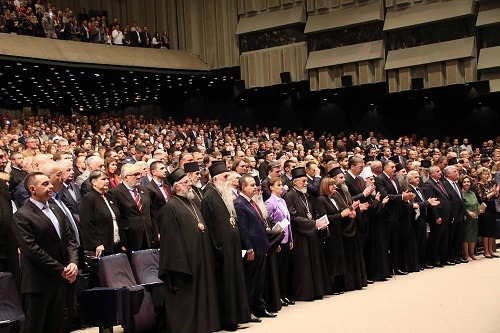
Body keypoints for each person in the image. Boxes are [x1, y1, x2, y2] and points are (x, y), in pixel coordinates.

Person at [13, 172, 78, 333]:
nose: (50, 187)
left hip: (61, 280)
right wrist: (61, 269)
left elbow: (70, 239)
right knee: (35, 327)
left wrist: (72, 263)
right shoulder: (22, 215)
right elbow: (32, 250)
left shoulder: (56, 208)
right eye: (45, 184)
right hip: (38, 282)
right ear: (32, 189)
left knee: (57, 326)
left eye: (50, 183)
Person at [158, 168, 220, 333]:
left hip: (200, 259)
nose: (190, 185)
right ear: (177, 187)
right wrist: (181, 265)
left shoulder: (191, 202)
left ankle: (203, 325)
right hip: (184, 264)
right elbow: (171, 241)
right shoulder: (171, 207)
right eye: (186, 182)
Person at [200, 161, 251, 331]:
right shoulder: (209, 196)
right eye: (225, 176)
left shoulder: (223, 193)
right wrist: (218, 249)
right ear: (215, 179)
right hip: (222, 250)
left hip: (232, 248)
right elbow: (210, 227)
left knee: (235, 281)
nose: (228, 179)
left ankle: (237, 317)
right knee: (225, 285)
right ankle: (228, 320)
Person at [284, 166, 331, 301]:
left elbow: (311, 212)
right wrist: (313, 224)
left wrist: (318, 222)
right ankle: (305, 293)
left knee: (315, 261)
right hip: (300, 235)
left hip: (311, 233)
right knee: (303, 264)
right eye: (303, 181)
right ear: (295, 182)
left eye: (306, 181)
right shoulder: (289, 196)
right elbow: (293, 217)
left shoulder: (306, 195)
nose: (306, 183)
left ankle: (317, 291)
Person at [235, 174, 273, 320]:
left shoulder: (252, 202)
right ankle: (249, 309)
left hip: (261, 246)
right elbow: (243, 229)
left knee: (259, 280)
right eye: (251, 185)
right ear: (243, 188)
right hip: (252, 248)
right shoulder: (239, 204)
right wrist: (249, 248)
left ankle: (259, 307)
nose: (255, 187)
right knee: (250, 281)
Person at [79, 170, 125, 257]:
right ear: (94, 182)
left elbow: (117, 219)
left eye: (107, 179)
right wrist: (97, 244)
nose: (107, 181)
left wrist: (122, 242)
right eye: (103, 179)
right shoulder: (88, 198)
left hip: (115, 243)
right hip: (101, 246)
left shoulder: (110, 196)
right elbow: (87, 224)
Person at [111, 164, 156, 251]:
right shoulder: (115, 193)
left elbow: (151, 214)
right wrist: (122, 242)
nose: (139, 177)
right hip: (130, 239)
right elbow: (117, 219)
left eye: (139, 174)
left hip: (147, 236)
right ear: (126, 177)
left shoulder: (145, 190)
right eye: (135, 174)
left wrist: (155, 234)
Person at [265, 176, 294, 305]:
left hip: (286, 238)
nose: (281, 187)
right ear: (271, 188)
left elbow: (288, 220)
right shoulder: (269, 203)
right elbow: (269, 224)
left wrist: (291, 238)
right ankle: (279, 296)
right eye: (278, 185)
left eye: (282, 185)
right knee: (279, 269)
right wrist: (275, 241)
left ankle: (284, 294)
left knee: (285, 269)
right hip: (278, 240)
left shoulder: (282, 201)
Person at [315, 177, 348, 293]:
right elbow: (325, 218)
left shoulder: (334, 198)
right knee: (332, 260)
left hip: (338, 232)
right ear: (325, 187)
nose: (334, 187)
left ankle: (340, 285)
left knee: (339, 258)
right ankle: (333, 287)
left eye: (334, 185)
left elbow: (342, 211)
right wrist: (341, 215)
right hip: (329, 233)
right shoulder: (321, 199)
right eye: (331, 185)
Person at [475, 167, 500, 258]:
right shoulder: (478, 185)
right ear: (480, 175)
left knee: (492, 230)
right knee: (486, 230)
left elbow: (495, 196)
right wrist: (493, 193)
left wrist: (496, 192)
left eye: (487, 174)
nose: (486, 176)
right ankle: (486, 251)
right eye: (484, 174)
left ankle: (491, 250)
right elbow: (483, 198)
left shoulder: (490, 183)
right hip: (485, 208)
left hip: (492, 206)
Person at [460, 175, 480, 261]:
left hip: (475, 217)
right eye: (464, 182)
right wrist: (468, 213)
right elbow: (461, 206)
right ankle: (466, 255)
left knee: (473, 235)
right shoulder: (460, 193)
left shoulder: (472, 193)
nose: (467, 183)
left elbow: (477, 203)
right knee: (466, 236)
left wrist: (480, 208)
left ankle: (472, 254)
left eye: (468, 182)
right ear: (461, 183)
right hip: (466, 217)